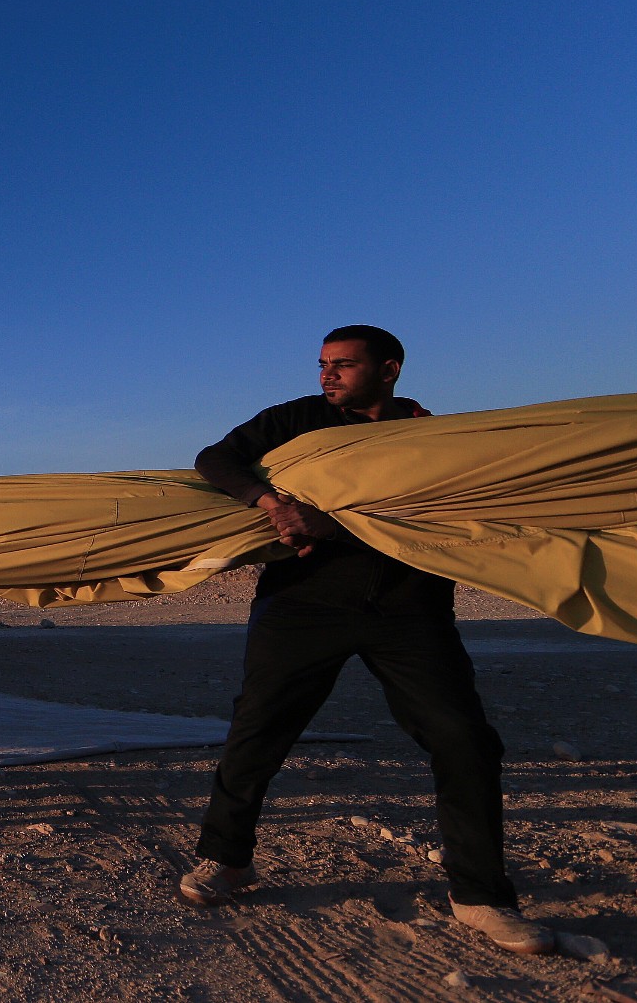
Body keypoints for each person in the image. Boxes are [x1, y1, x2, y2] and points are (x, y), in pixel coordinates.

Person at [177, 326, 554, 955]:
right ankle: (227, 859)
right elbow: (213, 459)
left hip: (409, 607)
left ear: (390, 369)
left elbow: (436, 516)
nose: (326, 375)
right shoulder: (295, 420)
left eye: (343, 365)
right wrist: (270, 502)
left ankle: (483, 897)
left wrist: (327, 523)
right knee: (257, 730)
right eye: (323, 364)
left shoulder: (428, 438)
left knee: (464, 738)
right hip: (302, 603)